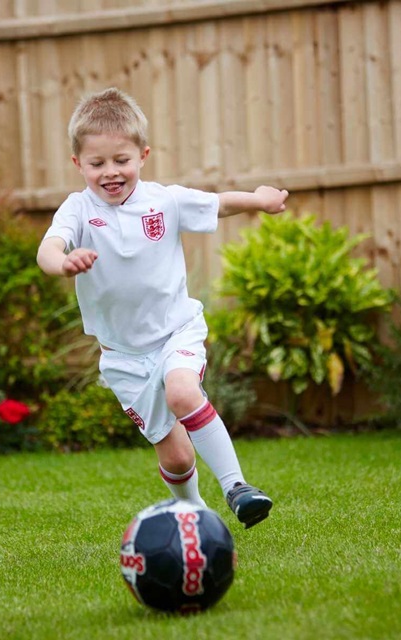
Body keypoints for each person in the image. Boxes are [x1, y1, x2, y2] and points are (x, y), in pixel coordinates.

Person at [37, 87, 287, 529]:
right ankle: (195, 514)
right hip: (124, 359)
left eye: (122, 161)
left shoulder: (164, 200)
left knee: (183, 392)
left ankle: (237, 488)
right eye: (97, 164)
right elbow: (48, 247)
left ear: (143, 155)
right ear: (78, 164)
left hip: (177, 332)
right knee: (175, 453)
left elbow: (219, 203)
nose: (111, 173)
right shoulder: (77, 209)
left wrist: (260, 200)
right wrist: (63, 263)